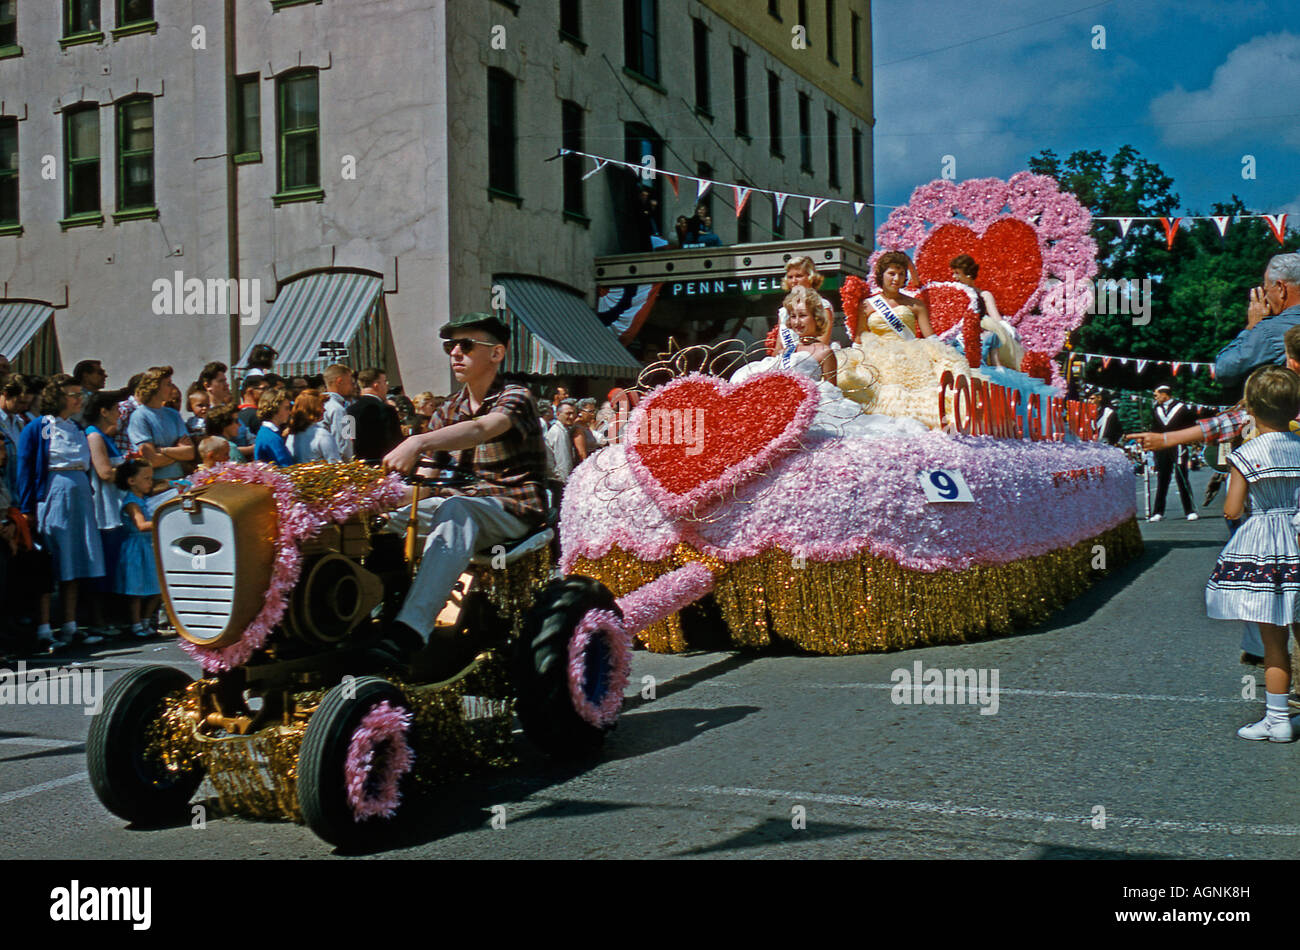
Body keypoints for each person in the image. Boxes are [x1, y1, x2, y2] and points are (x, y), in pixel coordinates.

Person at [380, 312, 548, 662]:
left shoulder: (516, 396)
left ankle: (411, 630)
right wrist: (374, 500)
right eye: (450, 345)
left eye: (466, 345)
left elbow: (481, 430)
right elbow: (424, 483)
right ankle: (372, 615)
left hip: (514, 507)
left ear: (496, 354)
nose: (455, 352)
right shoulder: (448, 409)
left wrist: (417, 442)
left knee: (455, 510)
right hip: (463, 507)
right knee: (381, 523)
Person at [1205, 366, 1300, 741]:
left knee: (1274, 641)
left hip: (1267, 550)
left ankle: (1276, 720)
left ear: (1252, 410)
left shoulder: (1246, 454)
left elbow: (1231, 509)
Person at [734, 286, 927, 442]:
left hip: (812, 413)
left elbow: (831, 391)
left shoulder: (824, 352)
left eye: (803, 316)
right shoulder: (786, 351)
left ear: (815, 318)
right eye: (793, 316)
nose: (797, 322)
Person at [16, 375, 106, 648]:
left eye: (80, 394)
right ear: (57, 397)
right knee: (53, 560)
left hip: (80, 495)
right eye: (72, 394)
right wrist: (26, 507)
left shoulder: (78, 427)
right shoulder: (42, 427)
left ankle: (70, 625)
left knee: (76, 560)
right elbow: (27, 466)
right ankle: (44, 628)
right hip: (55, 494)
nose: (78, 399)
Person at [1214, 253, 1300, 388]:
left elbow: (1224, 370)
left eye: (1266, 290)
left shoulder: (1270, 331)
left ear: (1281, 288)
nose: (1265, 298)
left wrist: (1252, 327)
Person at [84, 390, 128, 638]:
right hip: (104, 510)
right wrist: (129, 470)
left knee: (113, 566)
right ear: (103, 411)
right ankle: (98, 621)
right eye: (115, 408)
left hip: (114, 506)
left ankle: (110, 617)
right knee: (103, 566)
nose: (119, 414)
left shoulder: (107, 436)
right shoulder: (94, 435)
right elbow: (105, 472)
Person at [114, 459, 162, 638]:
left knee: (156, 587)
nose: (150, 482)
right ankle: (136, 624)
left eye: (151, 478)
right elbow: (141, 525)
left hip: (149, 546)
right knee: (136, 589)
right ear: (131, 481)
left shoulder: (146, 499)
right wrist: (163, 519)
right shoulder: (131, 502)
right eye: (146, 478)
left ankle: (145, 621)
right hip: (136, 547)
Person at [127, 366, 195, 489]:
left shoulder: (173, 414)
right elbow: (152, 460)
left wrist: (162, 450)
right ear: (155, 387)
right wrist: (176, 452)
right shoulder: (139, 416)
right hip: (156, 484)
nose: (172, 388)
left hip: (179, 480)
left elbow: (189, 453)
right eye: (168, 384)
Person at [845, 252, 935, 341]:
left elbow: (931, 339)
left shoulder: (917, 305)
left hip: (909, 354)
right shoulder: (866, 304)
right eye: (892, 274)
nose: (896, 279)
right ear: (881, 276)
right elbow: (860, 339)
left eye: (901, 274)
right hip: (876, 354)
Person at [1148, 385, 1196, 522]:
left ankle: (1190, 510)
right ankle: (1158, 511)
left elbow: (1189, 426)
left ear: (1165, 395)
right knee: (1162, 479)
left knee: (1182, 478)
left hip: (1179, 446)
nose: (1155, 397)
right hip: (1162, 447)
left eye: (1157, 394)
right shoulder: (1156, 409)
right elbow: (1154, 427)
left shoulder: (1182, 407)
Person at [347, 367, 403, 463]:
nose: (387, 386)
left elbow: (347, 440)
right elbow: (395, 442)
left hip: (358, 466)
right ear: (376, 385)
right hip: (382, 464)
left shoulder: (349, 410)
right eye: (385, 382)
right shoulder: (387, 409)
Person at [285, 389, 342, 463]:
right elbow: (335, 463)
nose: (324, 409)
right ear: (313, 408)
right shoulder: (322, 435)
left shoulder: (292, 435)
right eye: (321, 406)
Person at [320, 363, 356, 461]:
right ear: (339, 381)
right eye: (350, 382)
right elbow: (344, 444)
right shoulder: (337, 409)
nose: (353, 387)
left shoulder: (320, 404)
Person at [253, 387, 294, 466]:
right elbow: (285, 467)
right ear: (275, 408)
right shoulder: (271, 437)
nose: (289, 412)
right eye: (286, 408)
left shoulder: (268, 432)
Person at [547, 400, 579, 482]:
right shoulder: (558, 432)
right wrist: (567, 483)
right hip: (560, 482)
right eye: (568, 414)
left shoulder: (563, 430)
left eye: (573, 413)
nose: (571, 417)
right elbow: (564, 463)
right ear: (558, 414)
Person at [572, 398, 601, 462]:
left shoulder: (585, 425)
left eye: (594, 411)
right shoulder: (578, 429)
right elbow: (582, 454)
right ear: (580, 412)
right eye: (590, 412)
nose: (593, 414)